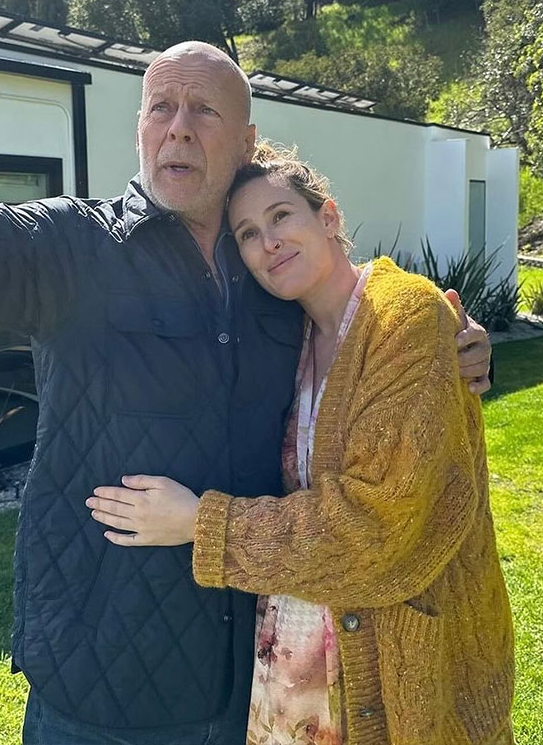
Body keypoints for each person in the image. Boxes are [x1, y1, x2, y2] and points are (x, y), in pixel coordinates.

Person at [0, 0, 494, 745]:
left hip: (249, 677)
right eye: (160, 108)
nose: (178, 126)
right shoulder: (76, 245)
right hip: (98, 690)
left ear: (247, 142)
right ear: (140, 128)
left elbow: (364, 335)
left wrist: (446, 342)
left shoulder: (274, 272)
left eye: (203, 110)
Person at [87, 145, 515, 745]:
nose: (269, 241)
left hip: (397, 657)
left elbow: (377, 524)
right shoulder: (290, 334)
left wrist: (201, 524)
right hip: (298, 656)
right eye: (248, 233)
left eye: (282, 215)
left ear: (330, 217)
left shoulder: (405, 317)